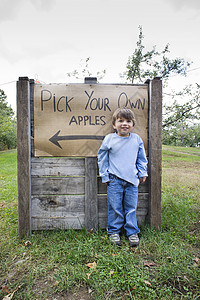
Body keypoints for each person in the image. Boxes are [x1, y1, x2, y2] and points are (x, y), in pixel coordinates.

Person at [97, 107, 148, 246]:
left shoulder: (136, 139)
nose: (125, 124)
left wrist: (142, 172)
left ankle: (132, 232)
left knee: (131, 207)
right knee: (114, 206)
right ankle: (114, 231)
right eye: (121, 121)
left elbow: (141, 158)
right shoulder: (109, 139)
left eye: (128, 121)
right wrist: (104, 175)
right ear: (114, 125)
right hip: (114, 180)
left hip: (132, 180)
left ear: (133, 125)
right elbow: (102, 157)